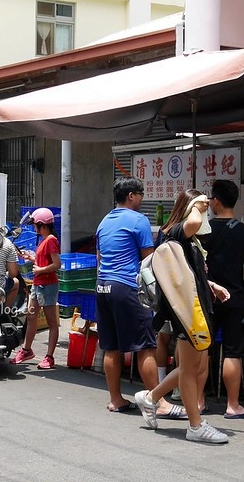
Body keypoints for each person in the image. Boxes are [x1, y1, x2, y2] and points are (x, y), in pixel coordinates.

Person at [134, 189, 231, 443]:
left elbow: (186, 276)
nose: (206, 213)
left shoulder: (188, 241)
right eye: (202, 208)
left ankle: (151, 397)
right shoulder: (176, 232)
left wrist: (211, 285)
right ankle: (195, 426)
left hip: (196, 307)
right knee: (189, 369)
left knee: (194, 365)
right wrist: (200, 204)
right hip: (185, 312)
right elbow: (195, 222)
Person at [95, 177, 176, 416]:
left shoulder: (104, 221)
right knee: (146, 346)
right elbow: (149, 260)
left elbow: (100, 258)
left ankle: (116, 399)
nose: (142, 199)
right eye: (140, 195)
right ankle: (158, 402)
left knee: (112, 347)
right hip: (126, 287)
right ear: (131, 196)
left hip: (103, 286)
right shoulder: (138, 220)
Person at [204, 179, 244, 419]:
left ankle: (197, 402)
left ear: (215, 200)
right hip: (235, 299)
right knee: (232, 352)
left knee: (202, 351)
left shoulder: (202, 230)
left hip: (206, 298)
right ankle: (233, 405)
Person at [11, 207, 61, 369]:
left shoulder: (51, 240)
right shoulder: (44, 239)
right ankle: (27, 350)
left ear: (42, 225)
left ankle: (49, 357)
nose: (33, 228)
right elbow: (44, 261)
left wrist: (40, 270)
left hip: (48, 285)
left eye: (35, 225)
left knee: (51, 321)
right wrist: (31, 258)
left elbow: (56, 264)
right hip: (38, 284)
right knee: (31, 317)